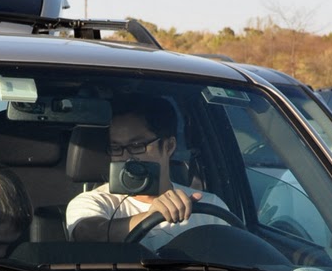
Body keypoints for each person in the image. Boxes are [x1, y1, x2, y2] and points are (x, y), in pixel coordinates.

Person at [65, 96, 228, 247]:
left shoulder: (208, 207)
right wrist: (150, 217)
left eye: (137, 146)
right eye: (116, 148)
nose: (126, 157)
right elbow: (87, 234)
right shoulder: (94, 201)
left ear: (169, 146)